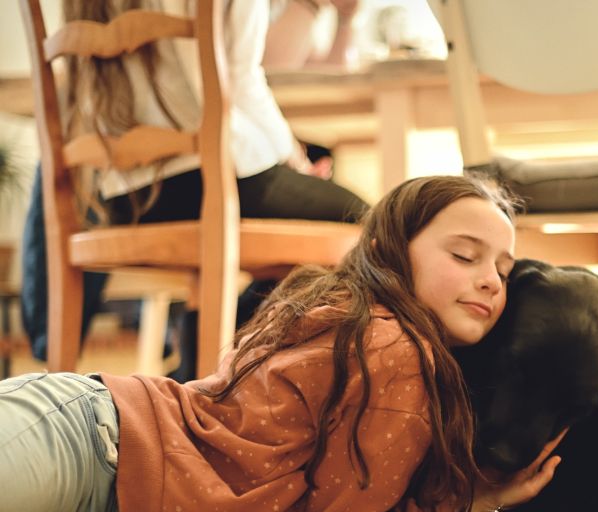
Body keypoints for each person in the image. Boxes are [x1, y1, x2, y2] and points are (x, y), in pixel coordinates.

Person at [0, 174, 566, 512]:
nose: (492, 280)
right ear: (385, 250)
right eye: (466, 256)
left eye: (503, 268)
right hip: (93, 450)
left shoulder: (361, 329)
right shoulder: (394, 348)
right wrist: (473, 503)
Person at [20, 0, 369, 380]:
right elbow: (243, 83)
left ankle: (200, 357)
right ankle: (213, 353)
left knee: (298, 247)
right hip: (214, 183)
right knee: (366, 225)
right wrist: (295, 160)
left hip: (125, 197)